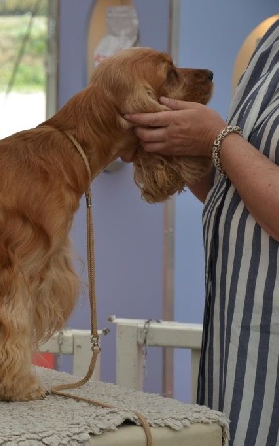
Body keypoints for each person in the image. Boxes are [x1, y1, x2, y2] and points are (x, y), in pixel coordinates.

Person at [124, 19, 279, 446]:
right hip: (234, 328)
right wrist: (176, 143)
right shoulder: (265, 42)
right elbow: (234, 191)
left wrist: (217, 136)